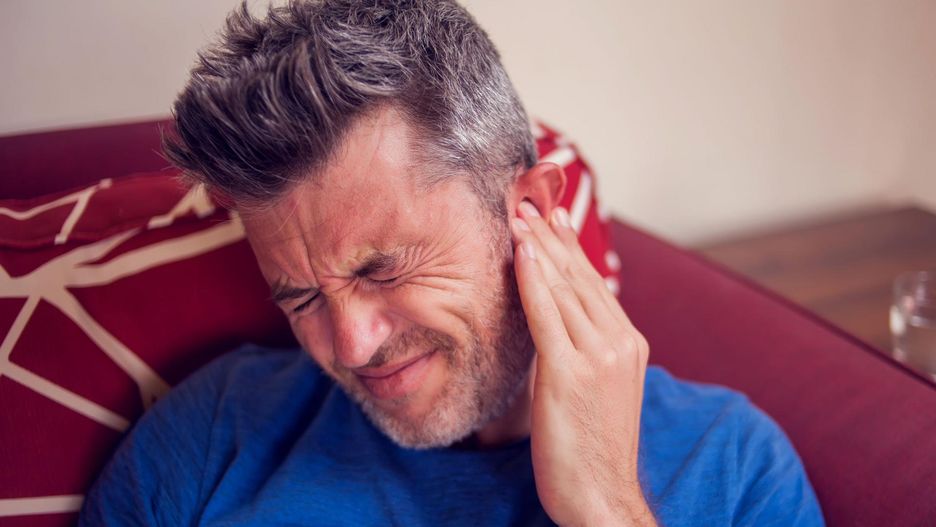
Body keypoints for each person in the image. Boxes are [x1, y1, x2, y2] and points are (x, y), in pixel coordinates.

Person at [79, 1, 824, 525]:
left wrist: (605, 506)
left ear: (530, 211)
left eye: (382, 269)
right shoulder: (211, 432)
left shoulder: (730, 462)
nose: (351, 346)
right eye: (302, 297)